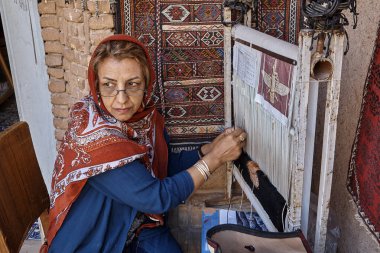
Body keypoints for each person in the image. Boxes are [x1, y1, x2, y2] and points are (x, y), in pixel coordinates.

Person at [45, 34, 246, 253]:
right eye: (109, 85)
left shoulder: (142, 121)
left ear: (146, 85)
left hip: (130, 224)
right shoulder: (96, 142)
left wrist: (207, 149)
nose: (121, 99)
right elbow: (157, 198)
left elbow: (162, 167)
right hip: (94, 243)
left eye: (132, 84)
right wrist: (214, 159)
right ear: (96, 87)